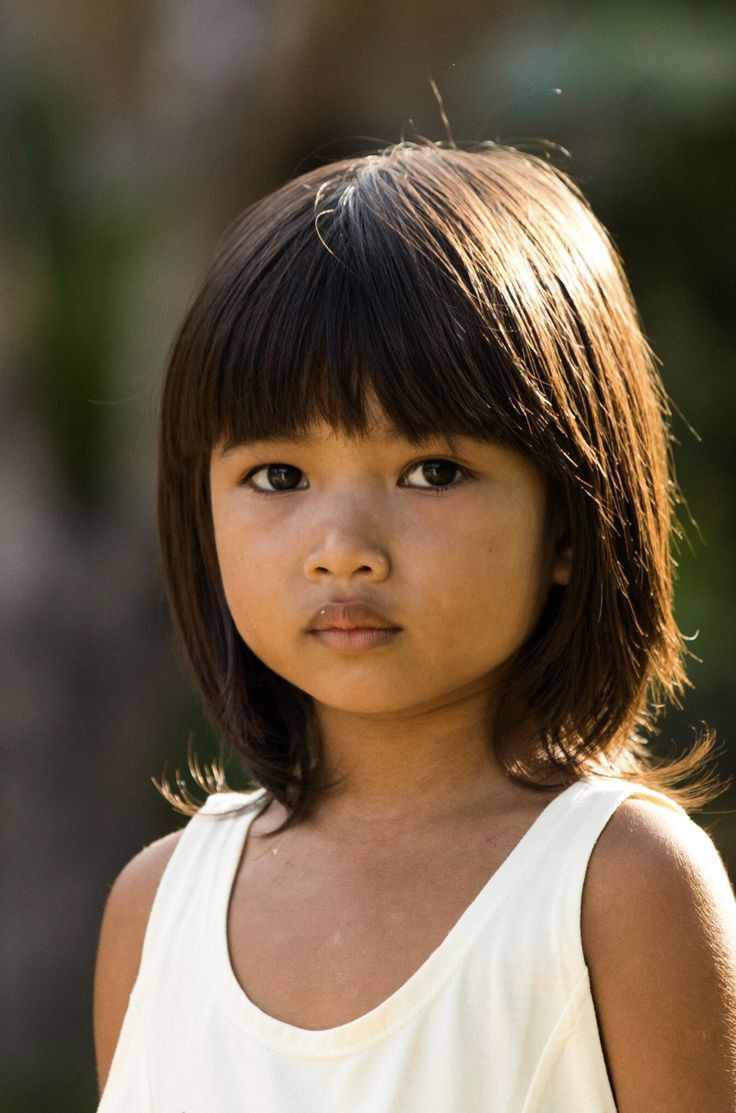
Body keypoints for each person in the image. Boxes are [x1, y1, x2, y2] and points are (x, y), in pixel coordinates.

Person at [93, 140, 736, 1112]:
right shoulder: (156, 907)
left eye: (430, 472)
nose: (342, 549)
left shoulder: (618, 889)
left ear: (569, 517)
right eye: (278, 477)